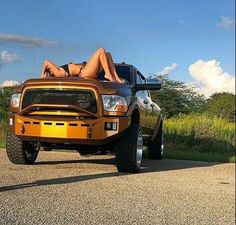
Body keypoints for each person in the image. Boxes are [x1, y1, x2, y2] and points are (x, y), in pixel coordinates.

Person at [40, 48, 124, 83]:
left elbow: (50, 65)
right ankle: (108, 74)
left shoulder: (58, 69)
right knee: (101, 50)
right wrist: (42, 74)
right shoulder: (58, 73)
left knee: (107, 54)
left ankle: (116, 78)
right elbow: (46, 62)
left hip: (86, 71)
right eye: (50, 70)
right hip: (84, 73)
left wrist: (46, 70)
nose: (51, 68)